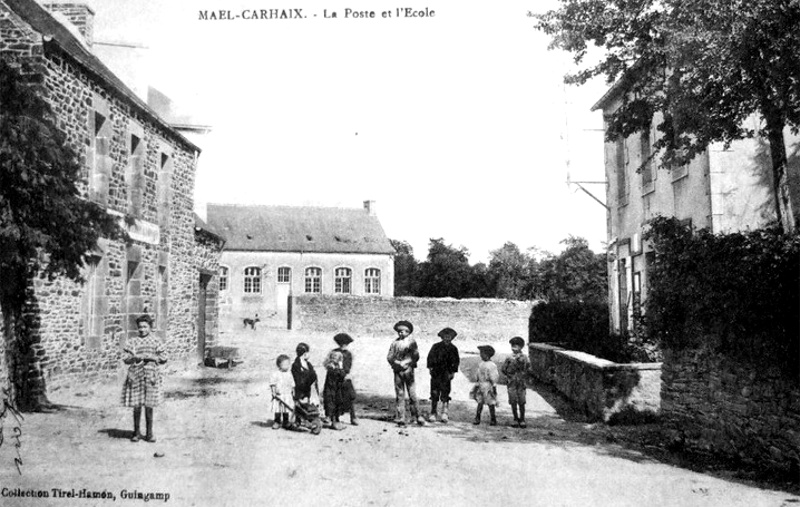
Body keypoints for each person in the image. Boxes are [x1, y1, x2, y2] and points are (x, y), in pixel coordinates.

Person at [121, 314, 167, 443]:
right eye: (140, 327)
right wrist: (134, 358)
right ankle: (136, 432)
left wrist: (151, 357)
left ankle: (149, 433)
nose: (142, 329)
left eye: (145, 327)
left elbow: (163, 358)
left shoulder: (156, 341)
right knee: (136, 405)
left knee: (149, 405)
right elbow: (125, 358)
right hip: (136, 375)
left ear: (150, 328)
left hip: (151, 375)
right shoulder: (132, 342)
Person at [387, 320, 425, 426]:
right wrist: (396, 362)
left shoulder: (412, 343)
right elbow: (389, 356)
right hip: (397, 370)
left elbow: (415, 356)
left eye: (403, 331)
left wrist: (407, 362)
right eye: (399, 331)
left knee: (412, 393)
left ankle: (417, 415)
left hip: (408, 370)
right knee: (400, 393)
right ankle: (401, 416)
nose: (401, 333)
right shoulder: (394, 343)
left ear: (408, 332)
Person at [426, 327, 460, 423]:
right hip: (436, 373)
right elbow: (430, 358)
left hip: (446, 373)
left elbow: (456, 361)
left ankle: (444, 412)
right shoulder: (436, 346)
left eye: (449, 337)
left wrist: (453, 372)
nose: (447, 338)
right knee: (434, 392)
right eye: (445, 336)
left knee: (445, 392)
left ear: (452, 338)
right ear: (442, 337)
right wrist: (430, 368)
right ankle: (433, 412)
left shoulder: (453, 349)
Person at [501, 336, 531, 428]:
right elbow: (503, 369)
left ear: (521, 347)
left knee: (522, 401)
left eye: (516, 346)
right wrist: (509, 376)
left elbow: (528, 368)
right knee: (513, 400)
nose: (514, 348)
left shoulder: (525, 357)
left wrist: (524, 375)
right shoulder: (509, 357)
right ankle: (515, 418)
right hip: (512, 382)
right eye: (512, 346)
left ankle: (522, 419)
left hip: (521, 382)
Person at [471, 345, 499, 426]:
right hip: (481, 384)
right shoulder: (481, 364)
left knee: (491, 403)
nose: (481, 355)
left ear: (487, 355)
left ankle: (493, 419)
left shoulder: (492, 365)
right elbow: (478, 374)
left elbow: (494, 376)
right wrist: (477, 382)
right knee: (480, 402)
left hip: (488, 385)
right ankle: (477, 417)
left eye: (482, 353)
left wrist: (494, 385)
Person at [322, 349, 349, 430]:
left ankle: (336, 420)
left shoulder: (337, 367)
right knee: (331, 405)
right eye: (333, 357)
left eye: (336, 358)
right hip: (331, 390)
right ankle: (333, 421)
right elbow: (337, 375)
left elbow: (342, 375)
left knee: (337, 404)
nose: (334, 359)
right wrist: (340, 368)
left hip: (336, 390)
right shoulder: (331, 367)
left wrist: (340, 367)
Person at [270, 354, 296, 430]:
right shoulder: (275, 374)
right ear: (279, 365)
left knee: (286, 409)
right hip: (279, 395)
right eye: (284, 364)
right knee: (278, 409)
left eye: (288, 364)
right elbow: (272, 384)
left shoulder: (289, 374)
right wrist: (273, 392)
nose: (287, 366)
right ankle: (277, 421)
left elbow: (292, 383)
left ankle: (286, 421)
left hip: (287, 394)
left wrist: (293, 391)